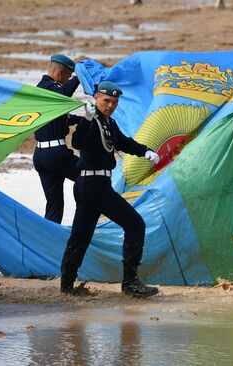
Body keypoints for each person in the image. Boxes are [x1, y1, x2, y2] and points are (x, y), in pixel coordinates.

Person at [60, 81, 160, 296]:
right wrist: (86, 120)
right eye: (106, 101)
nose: (110, 105)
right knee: (135, 225)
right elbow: (77, 142)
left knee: (80, 236)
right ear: (96, 97)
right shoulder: (91, 120)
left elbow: (123, 142)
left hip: (93, 185)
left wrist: (145, 151)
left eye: (114, 102)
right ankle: (130, 283)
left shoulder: (108, 123)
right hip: (93, 185)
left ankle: (66, 287)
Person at [33, 54, 83, 224]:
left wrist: (85, 119)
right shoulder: (48, 88)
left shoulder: (42, 91)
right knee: (89, 177)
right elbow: (63, 94)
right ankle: (84, 226)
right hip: (55, 155)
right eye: (68, 76)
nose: (68, 79)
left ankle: (45, 242)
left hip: (41, 155)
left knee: (54, 206)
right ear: (61, 73)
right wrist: (79, 78)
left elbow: (62, 119)